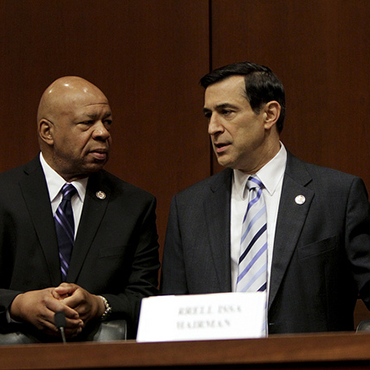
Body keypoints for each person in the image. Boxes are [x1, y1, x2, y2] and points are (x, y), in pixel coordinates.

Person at [161, 61, 370, 334]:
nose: (213, 127)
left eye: (226, 112)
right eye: (208, 115)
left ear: (269, 115)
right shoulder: (188, 207)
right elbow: (170, 314)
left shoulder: (337, 195)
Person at [0, 76, 160, 342]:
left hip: (101, 358)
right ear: (47, 132)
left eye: (107, 122)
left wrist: (99, 304)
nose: (103, 133)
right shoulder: (4, 196)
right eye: (88, 123)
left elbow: (147, 300)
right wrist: (18, 304)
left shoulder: (134, 205)